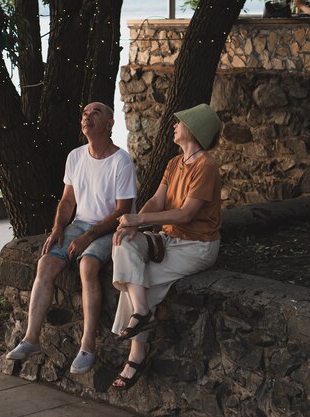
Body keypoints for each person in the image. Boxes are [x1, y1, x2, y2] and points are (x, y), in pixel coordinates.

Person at [6, 102, 137, 375]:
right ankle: (31, 339)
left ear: (110, 123)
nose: (87, 117)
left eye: (95, 113)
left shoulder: (121, 161)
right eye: (84, 114)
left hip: (110, 228)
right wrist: (57, 228)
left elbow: (122, 211)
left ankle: (87, 347)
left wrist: (88, 237)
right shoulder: (75, 156)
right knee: (45, 264)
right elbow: (67, 201)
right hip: (78, 224)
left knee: (87, 265)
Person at [110, 103, 222, 390]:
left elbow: (186, 214)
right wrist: (134, 225)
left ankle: (137, 353)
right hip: (169, 240)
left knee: (140, 282)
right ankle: (141, 313)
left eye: (180, 122)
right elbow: (157, 202)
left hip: (196, 247)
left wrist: (140, 218)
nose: (174, 126)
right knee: (124, 242)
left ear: (193, 130)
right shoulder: (174, 164)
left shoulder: (206, 166)